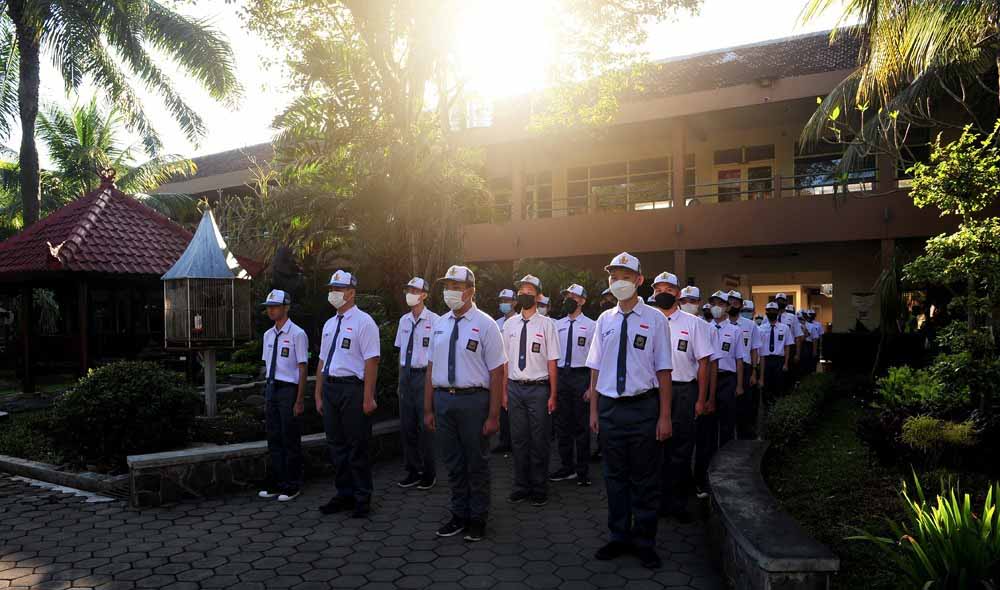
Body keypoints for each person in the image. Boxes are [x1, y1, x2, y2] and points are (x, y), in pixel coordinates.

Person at [586, 252, 673, 570]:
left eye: (625, 277)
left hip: (643, 408)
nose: (618, 282)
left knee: (645, 479)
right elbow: (595, 367)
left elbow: (664, 370)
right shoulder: (604, 320)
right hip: (610, 408)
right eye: (614, 277)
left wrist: (665, 416)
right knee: (614, 477)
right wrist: (594, 411)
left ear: (639, 280)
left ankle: (645, 542)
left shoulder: (655, 319)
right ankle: (618, 536)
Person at [424, 265, 505, 542]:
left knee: (476, 463)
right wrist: (428, 408)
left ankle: (477, 518)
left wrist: (493, 415)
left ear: (470, 291)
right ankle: (458, 514)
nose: (450, 292)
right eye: (447, 287)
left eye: (456, 287)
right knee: (453, 462)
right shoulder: (439, 324)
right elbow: (430, 367)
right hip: (443, 400)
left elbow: (497, 372)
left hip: (473, 401)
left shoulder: (486, 324)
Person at [316, 271, 381, 518]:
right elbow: (322, 361)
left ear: (351, 292)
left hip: (353, 389)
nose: (333, 293)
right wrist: (318, 394)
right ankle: (344, 494)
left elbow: (372, 361)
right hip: (331, 388)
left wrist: (368, 397)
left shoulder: (364, 322)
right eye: (331, 288)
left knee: (357, 445)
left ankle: (362, 497)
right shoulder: (329, 324)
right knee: (336, 445)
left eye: (338, 289)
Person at [651, 278, 711, 522]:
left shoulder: (694, 323)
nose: (663, 293)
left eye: (669, 289)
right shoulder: (647, 319)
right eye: (658, 290)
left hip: (683, 391)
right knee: (654, 449)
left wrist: (701, 399)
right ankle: (656, 502)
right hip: (653, 392)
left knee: (681, 448)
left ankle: (677, 503)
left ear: (677, 293)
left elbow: (704, 363)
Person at [502, 274, 559, 507]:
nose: (524, 295)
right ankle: (520, 486)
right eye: (521, 292)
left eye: (529, 292)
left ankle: (539, 487)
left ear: (538, 296)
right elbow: (505, 361)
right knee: (518, 440)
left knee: (539, 440)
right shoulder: (509, 325)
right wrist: (504, 392)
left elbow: (552, 362)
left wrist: (553, 394)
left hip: (538, 389)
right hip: (515, 388)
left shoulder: (547, 324)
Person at [258, 289, 308, 502]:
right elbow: (267, 364)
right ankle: (278, 482)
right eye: (268, 307)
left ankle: (292, 484)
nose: (271, 310)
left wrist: (299, 399)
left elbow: (302, 368)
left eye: (275, 306)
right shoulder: (268, 335)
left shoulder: (297, 334)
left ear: (286, 308)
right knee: (274, 437)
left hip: (288, 389)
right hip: (272, 387)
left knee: (290, 438)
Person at [393, 277, 440, 490]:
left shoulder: (436, 321)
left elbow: (438, 355)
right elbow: (400, 353)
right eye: (408, 290)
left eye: (414, 290)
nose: (410, 294)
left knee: (425, 426)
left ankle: (429, 472)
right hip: (406, 375)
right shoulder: (404, 321)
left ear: (424, 295)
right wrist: (399, 380)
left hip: (424, 376)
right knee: (407, 425)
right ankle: (412, 470)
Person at [551, 283, 596, 486]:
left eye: (573, 297)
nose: (569, 299)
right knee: (562, 426)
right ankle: (566, 467)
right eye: (567, 296)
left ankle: (583, 471)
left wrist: (591, 388)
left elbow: (595, 359)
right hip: (562, 376)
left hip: (581, 376)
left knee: (581, 427)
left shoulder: (592, 325)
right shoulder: (557, 325)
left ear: (582, 301)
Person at [701, 291, 744, 487]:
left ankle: (726, 468)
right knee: (708, 425)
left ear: (727, 307)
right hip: (707, 380)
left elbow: (739, 359)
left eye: (720, 303)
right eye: (713, 303)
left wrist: (739, 385)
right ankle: (708, 467)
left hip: (727, 379)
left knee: (726, 424)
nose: (716, 307)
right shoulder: (703, 328)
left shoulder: (735, 331)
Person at [730, 292, 761, 439]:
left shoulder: (750, 325)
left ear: (741, 305)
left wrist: (754, 372)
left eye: (735, 303)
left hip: (746, 368)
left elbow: (754, 349)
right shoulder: (721, 324)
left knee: (745, 404)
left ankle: (745, 437)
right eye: (730, 303)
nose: (732, 306)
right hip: (728, 370)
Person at [494, 288, 516, 455]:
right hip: (499, 369)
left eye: (507, 301)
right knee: (502, 406)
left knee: (514, 407)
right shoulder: (496, 323)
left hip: (515, 369)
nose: (504, 304)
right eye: (501, 301)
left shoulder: (519, 321)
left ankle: (516, 441)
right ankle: (504, 440)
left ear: (515, 302)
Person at [758, 302, 793, 402]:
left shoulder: (785, 328)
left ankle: (777, 407)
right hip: (765, 360)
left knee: (779, 386)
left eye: (774, 311)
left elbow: (787, 346)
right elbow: (759, 348)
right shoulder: (760, 328)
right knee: (766, 386)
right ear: (766, 312)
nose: (772, 312)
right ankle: (766, 407)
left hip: (779, 360)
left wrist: (786, 363)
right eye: (769, 311)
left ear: (778, 312)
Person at [774, 293, 803, 373]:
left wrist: (797, 354)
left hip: (790, 348)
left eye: (782, 300)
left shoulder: (792, 317)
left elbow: (798, 337)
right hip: (775, 348)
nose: (780, 302)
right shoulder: (770, 317)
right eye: (778, 301)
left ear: (786, 302)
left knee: (788, 373)